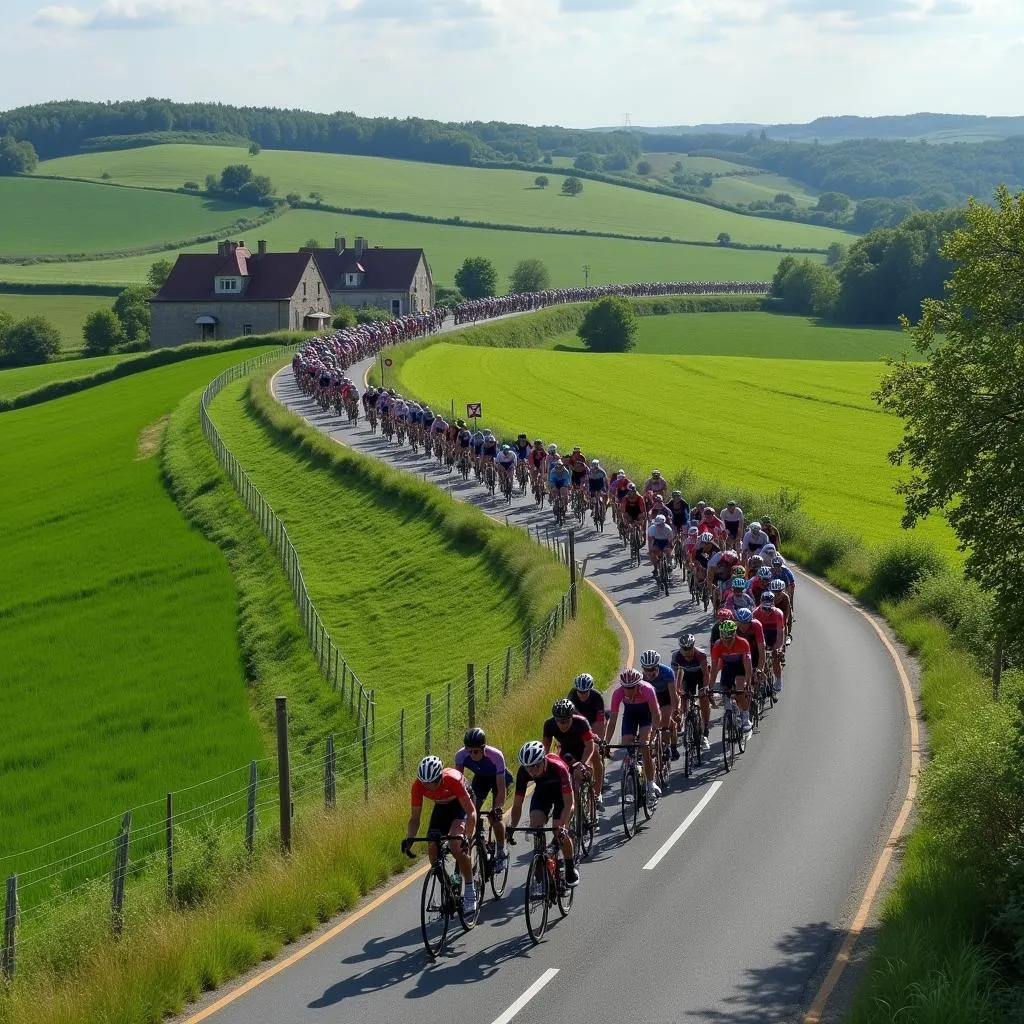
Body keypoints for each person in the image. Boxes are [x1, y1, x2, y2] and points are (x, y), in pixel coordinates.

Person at [403, 755, 479, 913]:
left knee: (456, 844)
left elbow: (471, 812)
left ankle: (470, 890)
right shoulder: (418, 786)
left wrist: (467, 837)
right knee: (432, 849)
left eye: (433, 783)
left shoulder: (452, 780)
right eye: (426, 784)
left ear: (440, 777)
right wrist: (409, 839)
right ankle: (448, 890)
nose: (430, 787)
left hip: (461, 804)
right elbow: (414, 819)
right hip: (442, 806)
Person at [508, 741, 580, 887]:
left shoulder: (558, 768)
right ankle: (540, 866)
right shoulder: (523, 772)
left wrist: (563, 826)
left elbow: (569, 804)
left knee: (559, 830)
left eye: (535, 766)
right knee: (535, 825)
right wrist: (512, 827)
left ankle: (570, 868)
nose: (532, 771)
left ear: (543, 760)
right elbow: (517, 804)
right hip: (543, 793)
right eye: (528, 767)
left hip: (562, 795)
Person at [455, 728, 511, 871]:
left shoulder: (496, 756)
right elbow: (457, 784)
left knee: (495, 817)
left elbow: (501, 787)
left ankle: (500, 849)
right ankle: (480, 839)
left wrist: (498, 807)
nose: (472, 754)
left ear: (483, 748)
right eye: (469, 751)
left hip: (498, 779)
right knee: (472, 812)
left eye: (476, 751)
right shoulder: (461, 756)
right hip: (480, 779)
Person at [604, 667, 662, 802]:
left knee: (645, 747)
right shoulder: (618, 693)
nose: (628, 690)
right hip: (630, 716)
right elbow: (613, 721)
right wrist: (606, 742)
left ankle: (650, 783)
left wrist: (652, 736)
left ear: (638, 685)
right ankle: (631, 774)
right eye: (625, 687)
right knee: (626, 743)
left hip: (646, 717)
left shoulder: (648, 689)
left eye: (631, 687)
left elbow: (656, 714)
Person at [543, 699, 597, 806]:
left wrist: (583, 763)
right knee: (564, 781)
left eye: (566, 721)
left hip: (583, 750)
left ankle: (592, 798)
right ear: (555, 719)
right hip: (566, 752)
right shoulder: (549, 724)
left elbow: (589, 746)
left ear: (572, 716)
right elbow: (545, 749)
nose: (563, 725)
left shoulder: (581, 723)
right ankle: (574, 811)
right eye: (559, 721)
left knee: (580, 775)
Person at [567, 672, 607, 808]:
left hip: (594, 720)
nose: (582, 694)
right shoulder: (572, 695)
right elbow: (569, 717)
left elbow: (601, 722)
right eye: (580, 692)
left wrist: (599, 740)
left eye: (585, 692)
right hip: (579, 721)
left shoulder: (597, 697)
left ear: (590, 689)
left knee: (596, 750)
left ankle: (598, 793)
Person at [709, 620, 753, 734]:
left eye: (729, 640)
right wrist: (710, 687)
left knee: (739, 690)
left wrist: (747, 682)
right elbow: (714, 669)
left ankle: (745, 718)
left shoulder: (743, 643)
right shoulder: (718, 645)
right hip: (727, 667)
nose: (727, 643)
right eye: (724, 640)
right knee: (725, 689)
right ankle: (728, 711)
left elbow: (748, 666)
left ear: (735, 635)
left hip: (740, 666)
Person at [672, 634, 711, 750]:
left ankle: (705, 731)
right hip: (686, 677)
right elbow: (675, 676)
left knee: (703, 699)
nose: (687, 652)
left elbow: (705, 674)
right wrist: (678, 690)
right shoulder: (676, 656)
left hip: (700, 676)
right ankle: (685, 717)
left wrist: (705, 688)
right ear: (681, 648)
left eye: (689, 649)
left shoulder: (701, 655)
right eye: (684, 649)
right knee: (683, 696)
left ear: (693, 647)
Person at [640, 649, 680, 760]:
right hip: (652, 698)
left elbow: (673, 694)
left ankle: (670, 747)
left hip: (665, 696)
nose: (650, 672)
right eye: (646, 669)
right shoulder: (641, 678)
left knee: (666, 724)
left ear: (657, 666)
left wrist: (675, 710)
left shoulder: (667, 672)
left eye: (652, 669)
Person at [754, 593, 787, 694]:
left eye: (769, 609)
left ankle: (778, 680)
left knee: (775, 656)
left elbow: (780, 634)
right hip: (762, 634)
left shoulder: (778, 613)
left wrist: (776, 648)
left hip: (774, 634)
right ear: (761, 605)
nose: (767, 611)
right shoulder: (755, 613)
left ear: (773, 605)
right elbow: (754, 634)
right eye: (765, 608)